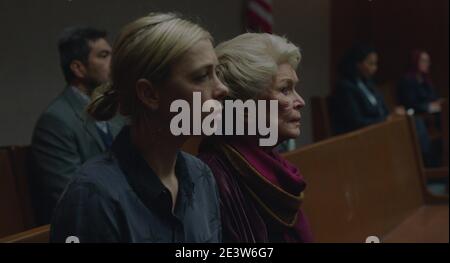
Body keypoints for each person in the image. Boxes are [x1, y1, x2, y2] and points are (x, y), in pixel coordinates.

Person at [50, 12, 228, 242]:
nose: (222, 88)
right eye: (201, 76)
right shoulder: (92, 195)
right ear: (149, 94)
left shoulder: (201, 174)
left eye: (217, 73)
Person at [197, 33, 313, 242]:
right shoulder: (212, 175)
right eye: (285, 90)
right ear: (246, 103)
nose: (300, 101)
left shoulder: (271, 162)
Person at [31, 27, 124, 224]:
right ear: (78, 68)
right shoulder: (55, 121)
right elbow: (72, 197)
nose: (114, 62)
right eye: (104, 55)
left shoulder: (116, 112)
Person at [330, 44, 404, 134]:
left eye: (375, 64)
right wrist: (386, 119)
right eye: (371, 64)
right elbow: (356, 122)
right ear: (358, 64)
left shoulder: (368, 84)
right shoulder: (345, 87)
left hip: (377, 131)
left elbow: (383, 109)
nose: (375, 68)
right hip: (359, 136)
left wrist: (393, 115)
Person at [397, 50, 443, 167]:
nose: (427, 63)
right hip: (417, 116)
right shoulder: (407, 80)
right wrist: (428, 107)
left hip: (433, 114)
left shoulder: (424, 79)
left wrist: (437, 102)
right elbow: (409, 103)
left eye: (428, 61)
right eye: (424, 60)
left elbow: (434, 96)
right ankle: (433, 166)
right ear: (415, 62)